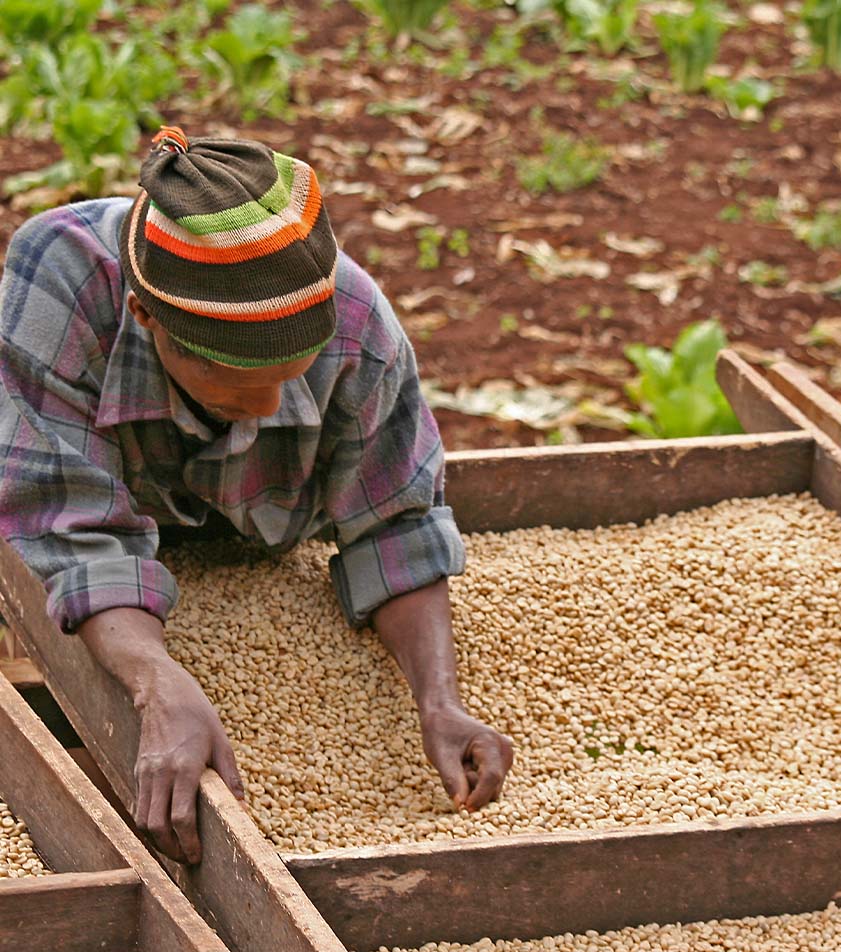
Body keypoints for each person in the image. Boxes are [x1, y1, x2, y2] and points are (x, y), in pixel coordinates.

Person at [0, 125, 513, 865]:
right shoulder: (64, 280)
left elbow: (395, 522)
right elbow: (69, 528)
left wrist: (439, 701)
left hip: (251, 533)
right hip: (96, 498)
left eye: (290, 375)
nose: (272, 405)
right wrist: (154, 677)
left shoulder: (358, 321)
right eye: (239, 384)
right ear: (149, 321)